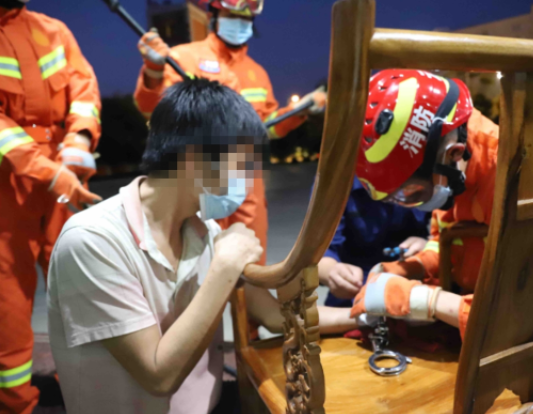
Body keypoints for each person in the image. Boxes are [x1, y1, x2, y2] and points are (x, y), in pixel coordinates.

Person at [47, 79, 353, 414]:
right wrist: (224, 267)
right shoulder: (93, 241)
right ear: (193, 157)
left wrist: (367, 312)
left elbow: (274, 316)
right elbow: (159, 376)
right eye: (242, 164)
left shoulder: (205, 230)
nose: (247, 181)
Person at [349, 69, 533, 367]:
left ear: (454, 153)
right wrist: (408, 269)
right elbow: (446, 243)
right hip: (475, 333)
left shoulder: (529, 183)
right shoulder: (453, 173)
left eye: (413, 191)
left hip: (532, 365)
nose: (412, 203)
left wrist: (426, 301)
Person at [133, 0, 327, 266]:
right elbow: (153, 109)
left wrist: (299, 110)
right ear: (213, 16)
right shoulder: (182, 58)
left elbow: (267, 128)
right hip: (197, 177)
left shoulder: (257, 73)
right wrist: (153, 71)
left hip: (246, 180)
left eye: (245, 18)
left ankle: (248, 295)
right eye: (232, 15)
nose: (239, 23)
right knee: (193, 264)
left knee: (250, 263)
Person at [0, 0, 102, 411]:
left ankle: (90, 394)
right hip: (8, 189)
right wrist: (51, 172)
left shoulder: (53, 29)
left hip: (64, 171)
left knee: (81, 290)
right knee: (7, 303)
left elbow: (84, 87)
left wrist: (80, 137)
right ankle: (15, 405)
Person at [317, 176, 429, 307]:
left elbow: (443, 231)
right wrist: (332, 272)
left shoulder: (427, 176)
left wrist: (429, 245)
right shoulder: (335, 179)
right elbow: (317, 253)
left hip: (414, 283)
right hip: (356, 286)